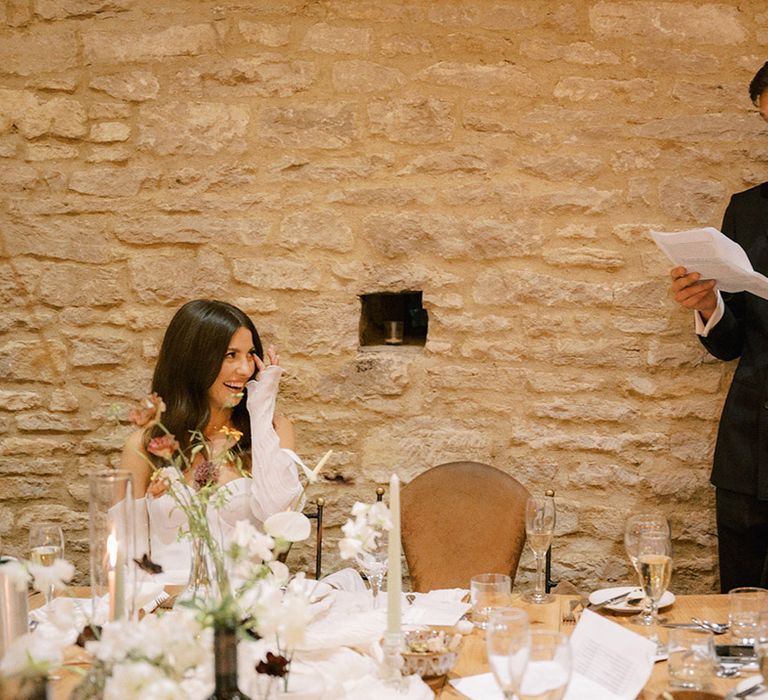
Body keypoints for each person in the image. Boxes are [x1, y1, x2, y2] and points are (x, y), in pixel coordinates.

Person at [669, 61, 768, 592]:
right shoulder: (747, 211)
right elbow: (730, 346)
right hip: (750, 454)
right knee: (742, 616)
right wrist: (707, 306)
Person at [120, 299, 304, 582]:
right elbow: (124, 554)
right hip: (165, 610)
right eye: (230, 355)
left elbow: (276, 516)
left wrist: (262, 406)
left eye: (250, 354)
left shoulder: (274, 430)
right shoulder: (146, 445)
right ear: (193, 360)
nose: (244, 369)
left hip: (243, 610)